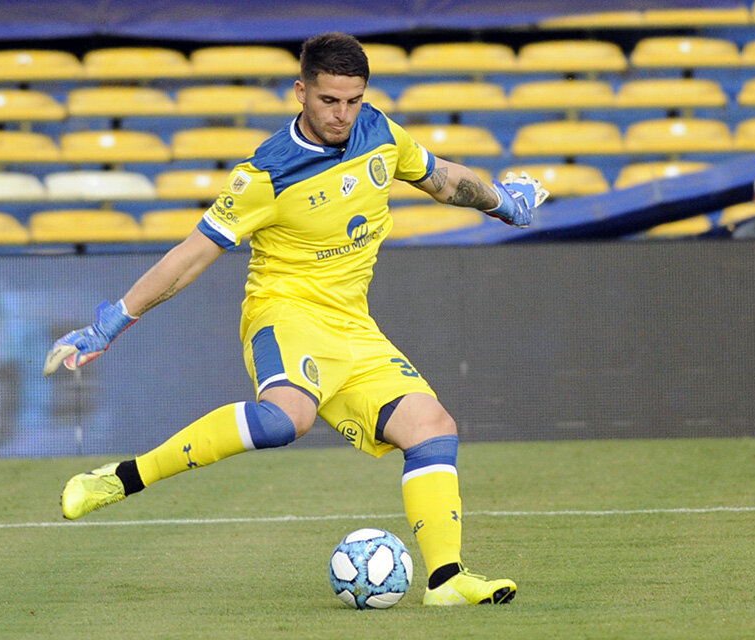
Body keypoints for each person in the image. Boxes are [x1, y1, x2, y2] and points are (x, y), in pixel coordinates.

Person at [43, 32, 548, 607]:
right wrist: (109, 324)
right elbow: (189, 258)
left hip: (353, 325)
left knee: (433, 428)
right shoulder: (265, 174)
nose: (342, 114)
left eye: (353, 99)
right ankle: (120, 479)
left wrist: (506, 204)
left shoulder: (380, 134)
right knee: (286, 421)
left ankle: (446, 581)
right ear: (300, 91)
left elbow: (442, 178)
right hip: (283, 314)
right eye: (329, 100)